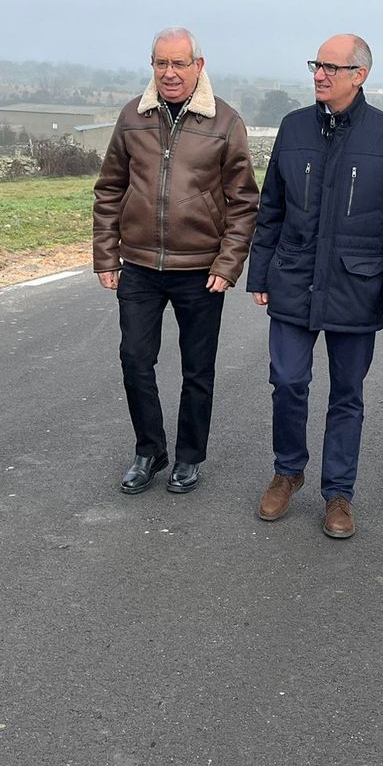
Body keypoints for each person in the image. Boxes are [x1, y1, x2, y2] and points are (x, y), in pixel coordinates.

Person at [246, 34, 383, 540]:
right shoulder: (294, 127)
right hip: (293, 278)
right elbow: (272, 209)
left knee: (347, 394)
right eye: (316, 65)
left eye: (331, 66)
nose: (319, 74)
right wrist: (259, 272)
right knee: (287, 380)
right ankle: (288, 471)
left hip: (356, 284)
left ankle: (338, 493)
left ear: (360, 74)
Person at [92, 27, 260, 495]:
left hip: (200, 271)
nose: (169, 73)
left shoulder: (225, 122)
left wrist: (227, 266)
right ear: (152, 66)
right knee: (134, 359)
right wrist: (106, 255)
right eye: (161, 64)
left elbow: (244, 202)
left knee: (197, 369)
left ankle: (189, 456)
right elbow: (109, 191)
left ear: (198, 66)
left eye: (179, 64)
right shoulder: (132, 117)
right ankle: (149, 450)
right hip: (140, 266)